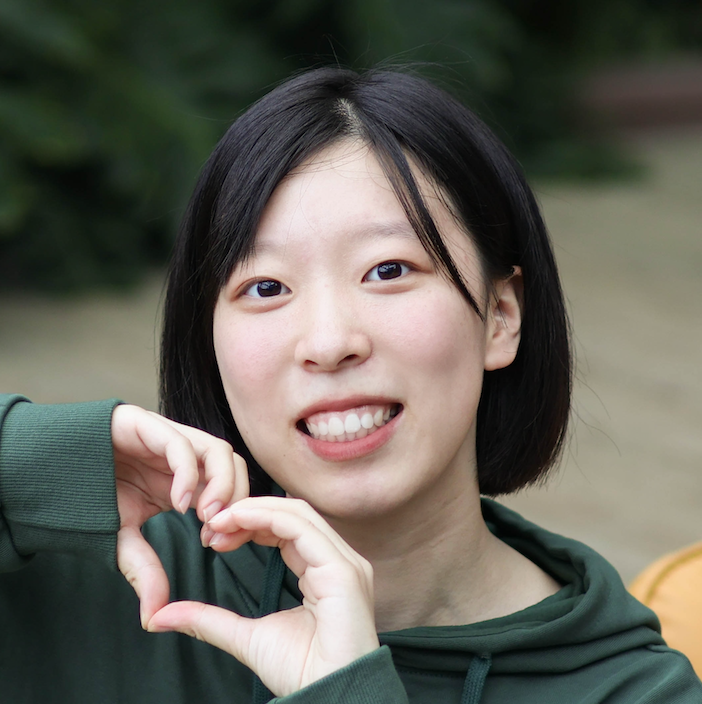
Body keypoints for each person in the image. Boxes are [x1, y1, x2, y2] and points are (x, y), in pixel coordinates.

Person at [0, 67, 699, 704]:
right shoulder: (97, 570)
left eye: (389, 270)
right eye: (265, 287)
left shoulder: (635, 692)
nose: (330, 342)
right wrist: (39, 464)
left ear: (501, 317)